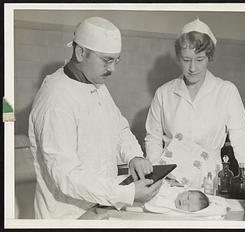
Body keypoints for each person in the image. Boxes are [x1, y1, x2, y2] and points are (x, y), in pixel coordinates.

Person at [28, 17, 161, 219]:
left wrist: (133, 155)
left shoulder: (95, 84)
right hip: (68, 215)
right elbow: (67, 176)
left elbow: (119, 128)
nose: (112, 69)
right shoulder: (56, 101)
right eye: (107, 60)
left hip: (100, 205)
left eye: (116, 60)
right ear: (81, 52)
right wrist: (127, 193)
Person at [145, 18, 245, 209]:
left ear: (210, 57)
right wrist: (157, 174)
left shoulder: (226, 91)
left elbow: (242, 140)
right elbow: (153, 137)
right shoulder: (164, 93)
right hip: (169, 181)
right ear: (178, 57)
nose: (192, 68)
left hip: (207, 183)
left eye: (200, 59)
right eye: (186, 60)